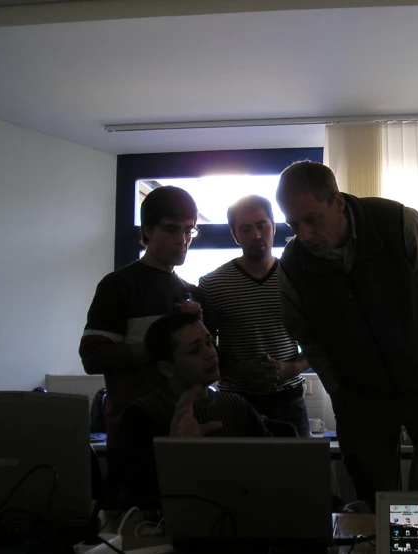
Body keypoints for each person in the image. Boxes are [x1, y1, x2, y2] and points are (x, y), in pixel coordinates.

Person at [276, 161, 418, 509]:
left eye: (312, 219)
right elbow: (310, 339)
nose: (304, 235)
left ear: (337, 201)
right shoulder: (292, 265)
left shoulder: (399, 224)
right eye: (293, 224)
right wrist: (340, 394)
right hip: (361, 399)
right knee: (374, 505)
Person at [79, 186, 202, 449]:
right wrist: (160, 346)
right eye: (172, 229)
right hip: (133, 432)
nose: (182, 239)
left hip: (183, 426)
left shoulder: (187, 291)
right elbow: (92, 357)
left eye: (188, 230)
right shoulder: (119, 285)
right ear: (148, 231)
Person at [111, 312, 272, 507]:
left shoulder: (236, 404)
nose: (210, 353)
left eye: (209, 342)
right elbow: (130, 495)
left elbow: (271, 469)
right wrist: (176, 452)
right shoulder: (142, 415)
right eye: (195, 350)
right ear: (166, 368)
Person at [199, 195, 311, 437]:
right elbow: (204, 347)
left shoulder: (298, 278)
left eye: (262, 225)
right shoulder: (213, 284)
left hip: (289, 401)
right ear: (234, 234)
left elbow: (321, 340)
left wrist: (290, 368)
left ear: (273, 226)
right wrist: (238, 370)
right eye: (246, 228)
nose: (256, 235)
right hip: (234, 404)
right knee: (237, 474)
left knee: (301, 473)